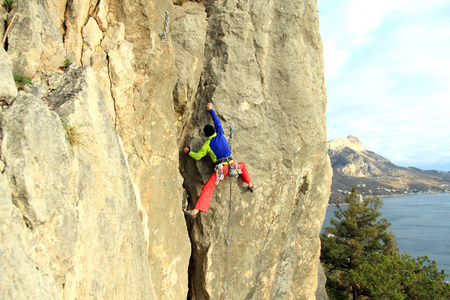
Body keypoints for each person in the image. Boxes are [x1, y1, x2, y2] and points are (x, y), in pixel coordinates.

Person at [183, 103, 253, 219]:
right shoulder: (220, 133)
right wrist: (210, 110)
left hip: (222, 169)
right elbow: (216, 121)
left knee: (208, 188)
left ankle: (195, 211)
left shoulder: (207, 144)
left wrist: (188, 152)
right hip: (233, 165)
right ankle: (250, 185)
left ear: (206, 135)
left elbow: (198, 156)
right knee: (243, 166)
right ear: (214, 131)